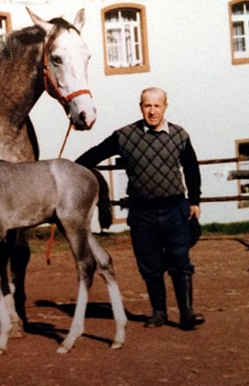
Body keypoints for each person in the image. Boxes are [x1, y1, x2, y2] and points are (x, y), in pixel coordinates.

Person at [76, 87, 204, 330]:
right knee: (150, 265)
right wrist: (68, 170)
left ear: (165, 107)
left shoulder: (180, 135)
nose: (152, 111)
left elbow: (191, 168)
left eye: (157, 106)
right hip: (142, 213)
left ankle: (187, 313)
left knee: (180, 261)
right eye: (147, 106)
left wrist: (195, 200)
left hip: (176, 209)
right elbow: (93, 155)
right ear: (140, 107)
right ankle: (158, 313)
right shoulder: (124, 136)